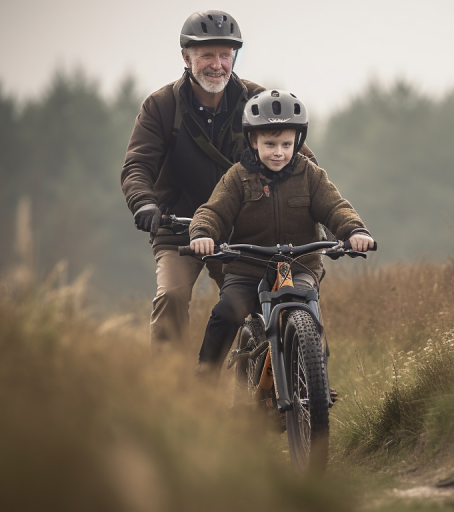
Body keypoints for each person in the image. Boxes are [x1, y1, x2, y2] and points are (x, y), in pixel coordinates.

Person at [120, 10, 314, 351]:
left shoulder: (257, 102)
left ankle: (271, 383)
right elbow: (137, 166)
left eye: (225, 55)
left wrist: (313, 201)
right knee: (172, 297)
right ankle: (168, 388)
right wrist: (145, 203)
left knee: (259, 302)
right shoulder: (161, 106)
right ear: (186, 57)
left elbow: (298, 158)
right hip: (179, 226)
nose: (217, 64)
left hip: (244, 228)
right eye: (207, 54)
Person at [188, 89, 373, 374]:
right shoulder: (238, 176)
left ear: (298, 141)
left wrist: (354, 231)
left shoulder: (311, 175)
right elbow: (213, 211)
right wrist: (203, 234)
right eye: (270, 143)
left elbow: (336, 207)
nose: (279, 152)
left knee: (308, 315)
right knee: (225, 312)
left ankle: (314, 386)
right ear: (253, 140)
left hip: (298, 267)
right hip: (247, 269)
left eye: (287, 144)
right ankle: (203, 383)